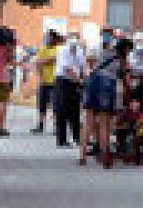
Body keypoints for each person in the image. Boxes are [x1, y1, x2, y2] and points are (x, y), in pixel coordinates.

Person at [81, 36, 132, 168]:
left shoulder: (105, 52)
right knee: (105, 123)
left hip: (92, 82)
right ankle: (104, 156)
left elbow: (92, 63)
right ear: (126, 49)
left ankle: (82, 156)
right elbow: (126, 78)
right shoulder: (122, 59)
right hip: (106, 85)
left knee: (88, 121)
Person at [54, 33, 87, 148]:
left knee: (75, 111)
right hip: (63, 81)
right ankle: (62, 140)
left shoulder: (79, 51)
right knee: (62, 110)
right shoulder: (62, 50)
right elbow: (67, 68)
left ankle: (77, 138)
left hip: (74, 83)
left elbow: (83, 67)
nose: (73, 48)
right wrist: (80, 80)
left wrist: (84, 78)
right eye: (72, 45)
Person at [32, 32, 61, 133]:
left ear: (54, 39)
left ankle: (56, 126)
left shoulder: (58, 49)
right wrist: (40, 76)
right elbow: (37, 63)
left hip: (55, 81)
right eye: (47, 37)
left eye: (49, 37)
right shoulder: (42, 49)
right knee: (41, 104)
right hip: (44, 81)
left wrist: (41, 61)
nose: (47, 39)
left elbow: (53, 59)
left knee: (56, 105)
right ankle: (40, 125)